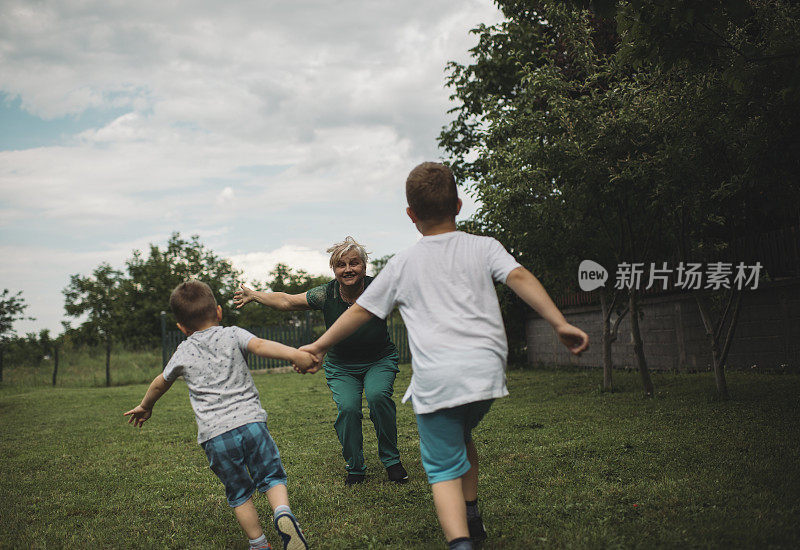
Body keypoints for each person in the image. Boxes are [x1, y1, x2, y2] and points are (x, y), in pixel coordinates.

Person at [297, 162, 590, 550]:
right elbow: (518, 276)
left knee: (442, 468)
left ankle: (460, 541)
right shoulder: (484, 246)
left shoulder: (402, 264)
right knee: (460, 433)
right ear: (458, 204)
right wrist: (558, 322)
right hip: (485, 374)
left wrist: (317, 346)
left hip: (439, 379)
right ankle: (473, 515)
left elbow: (362, 311)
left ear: (410, 215)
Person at [124, 280, 312, 550]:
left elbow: (159, 382)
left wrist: (146, 405)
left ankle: (259, 544)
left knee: (239, 493)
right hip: (251, 424)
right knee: (271, 477)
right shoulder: (233, 334)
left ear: (181, 327)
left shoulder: (183, 351)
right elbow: (260, 345)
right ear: (219, 312)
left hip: (215, 436)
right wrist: (295, 354)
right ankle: (282, 512)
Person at [233, 237, 408, 486]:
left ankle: (392, 461)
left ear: (364, 266)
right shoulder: (325, 294)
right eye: (341, 265)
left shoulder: (378, 287)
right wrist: (255, 295)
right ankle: (355, 466)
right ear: (334, 270)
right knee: (348, 409)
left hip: (378, 360)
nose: (348, 269)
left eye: (354, 263)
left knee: (378, 397)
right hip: (341, 365)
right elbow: (287, 301)